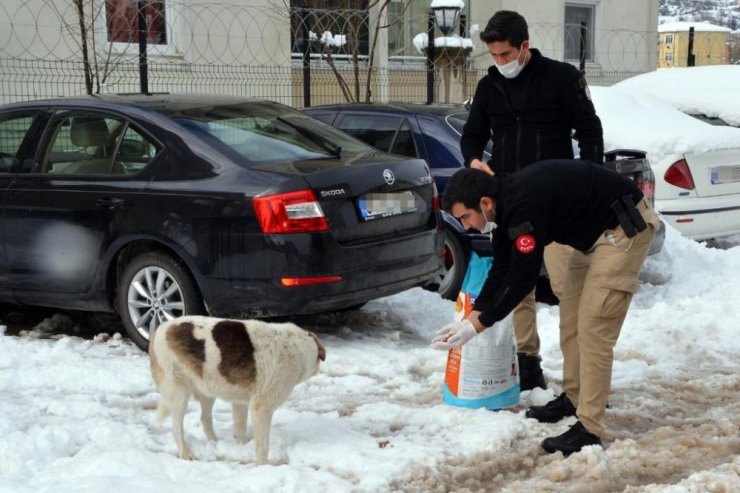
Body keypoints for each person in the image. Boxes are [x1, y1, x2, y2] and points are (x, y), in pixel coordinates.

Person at [431, 163, 658, 455]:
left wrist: (478, 326)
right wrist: (472, 316)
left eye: (465, 217)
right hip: (591, 238)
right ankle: (575, 398)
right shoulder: (502, 206)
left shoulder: (522, 206)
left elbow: (522, 277)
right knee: (571, 321)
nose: (465, 226)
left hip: (623, 231)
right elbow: (501, 267)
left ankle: (590, 427)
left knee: (593, 330)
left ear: (485, 203)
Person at [460, 10, 604, 392]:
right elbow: (471, 136)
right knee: (515, 283)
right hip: (509, 202)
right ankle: (528, 362)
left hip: (559, 204)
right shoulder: (489, 87)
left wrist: (591, 179)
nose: (499, 62)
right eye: (493, 56)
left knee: (567, 289)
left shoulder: (562, 78)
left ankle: (581, 377)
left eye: (505, 54)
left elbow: (590, 129)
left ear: (525, 46)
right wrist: (474, 161)